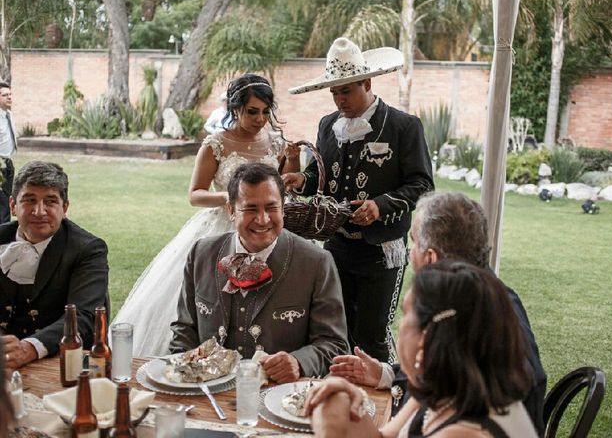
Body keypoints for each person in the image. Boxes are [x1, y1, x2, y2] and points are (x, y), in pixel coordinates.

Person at [328, 192, 547, 435]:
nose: (401, 327)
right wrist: (385, 374)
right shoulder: (474, 307)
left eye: (412, 242)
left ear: (431, 258)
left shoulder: (491, 331)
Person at [113, 74, 300, 357]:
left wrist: (294, 162)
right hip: (221, 227)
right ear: (235, 109)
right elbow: (195, 194)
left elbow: (282, 187)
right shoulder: (216, 144)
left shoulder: (275, 144)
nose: (260, 119)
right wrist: (231, 198)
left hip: (263, 229)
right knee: (215, 297)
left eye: (265, 112)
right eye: (252, 112)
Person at [283, 37, 434, 362]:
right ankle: (340, 396)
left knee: (372, 334)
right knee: (335, 329)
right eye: (334, 92)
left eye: (346, 91)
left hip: (381, 249)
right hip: (336, 245)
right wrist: (301, 180)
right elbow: (320, 178)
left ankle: (382, 402)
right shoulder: (327, 125)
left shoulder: (402, 126)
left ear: (367, 82)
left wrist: (380, 206)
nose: (339, 100)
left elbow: (422, 185)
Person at [305, 260, 537, 438]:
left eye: (407, 315)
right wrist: (345, 395)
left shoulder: (466, 432)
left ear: (426, 337)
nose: (400, 325)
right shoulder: (444, 383)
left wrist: (331, 430)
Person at [169, 163, 349, 382]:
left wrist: (299, 362)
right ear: (231, 210)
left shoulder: (316, 263)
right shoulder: (201, 254)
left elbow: (335, 345)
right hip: (207, 391)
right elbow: (184, 330)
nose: (263, 219)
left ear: (284, 208)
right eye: (251, 208)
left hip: (278, 398)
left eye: (272, 208)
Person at [0, 161, 109, 371]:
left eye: (50, 202)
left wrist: (29, 348)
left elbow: (84, 318)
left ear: (65, 208)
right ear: (13, 206)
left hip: (65, 363)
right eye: (29, 200)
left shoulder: (88, 250)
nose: (39, 211)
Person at [0, 81, 17, 224]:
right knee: (4, 204)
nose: (9, 97)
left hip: (8, 163)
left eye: (10, 94)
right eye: (5, 95)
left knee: (7, 199)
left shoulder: (9, 115)